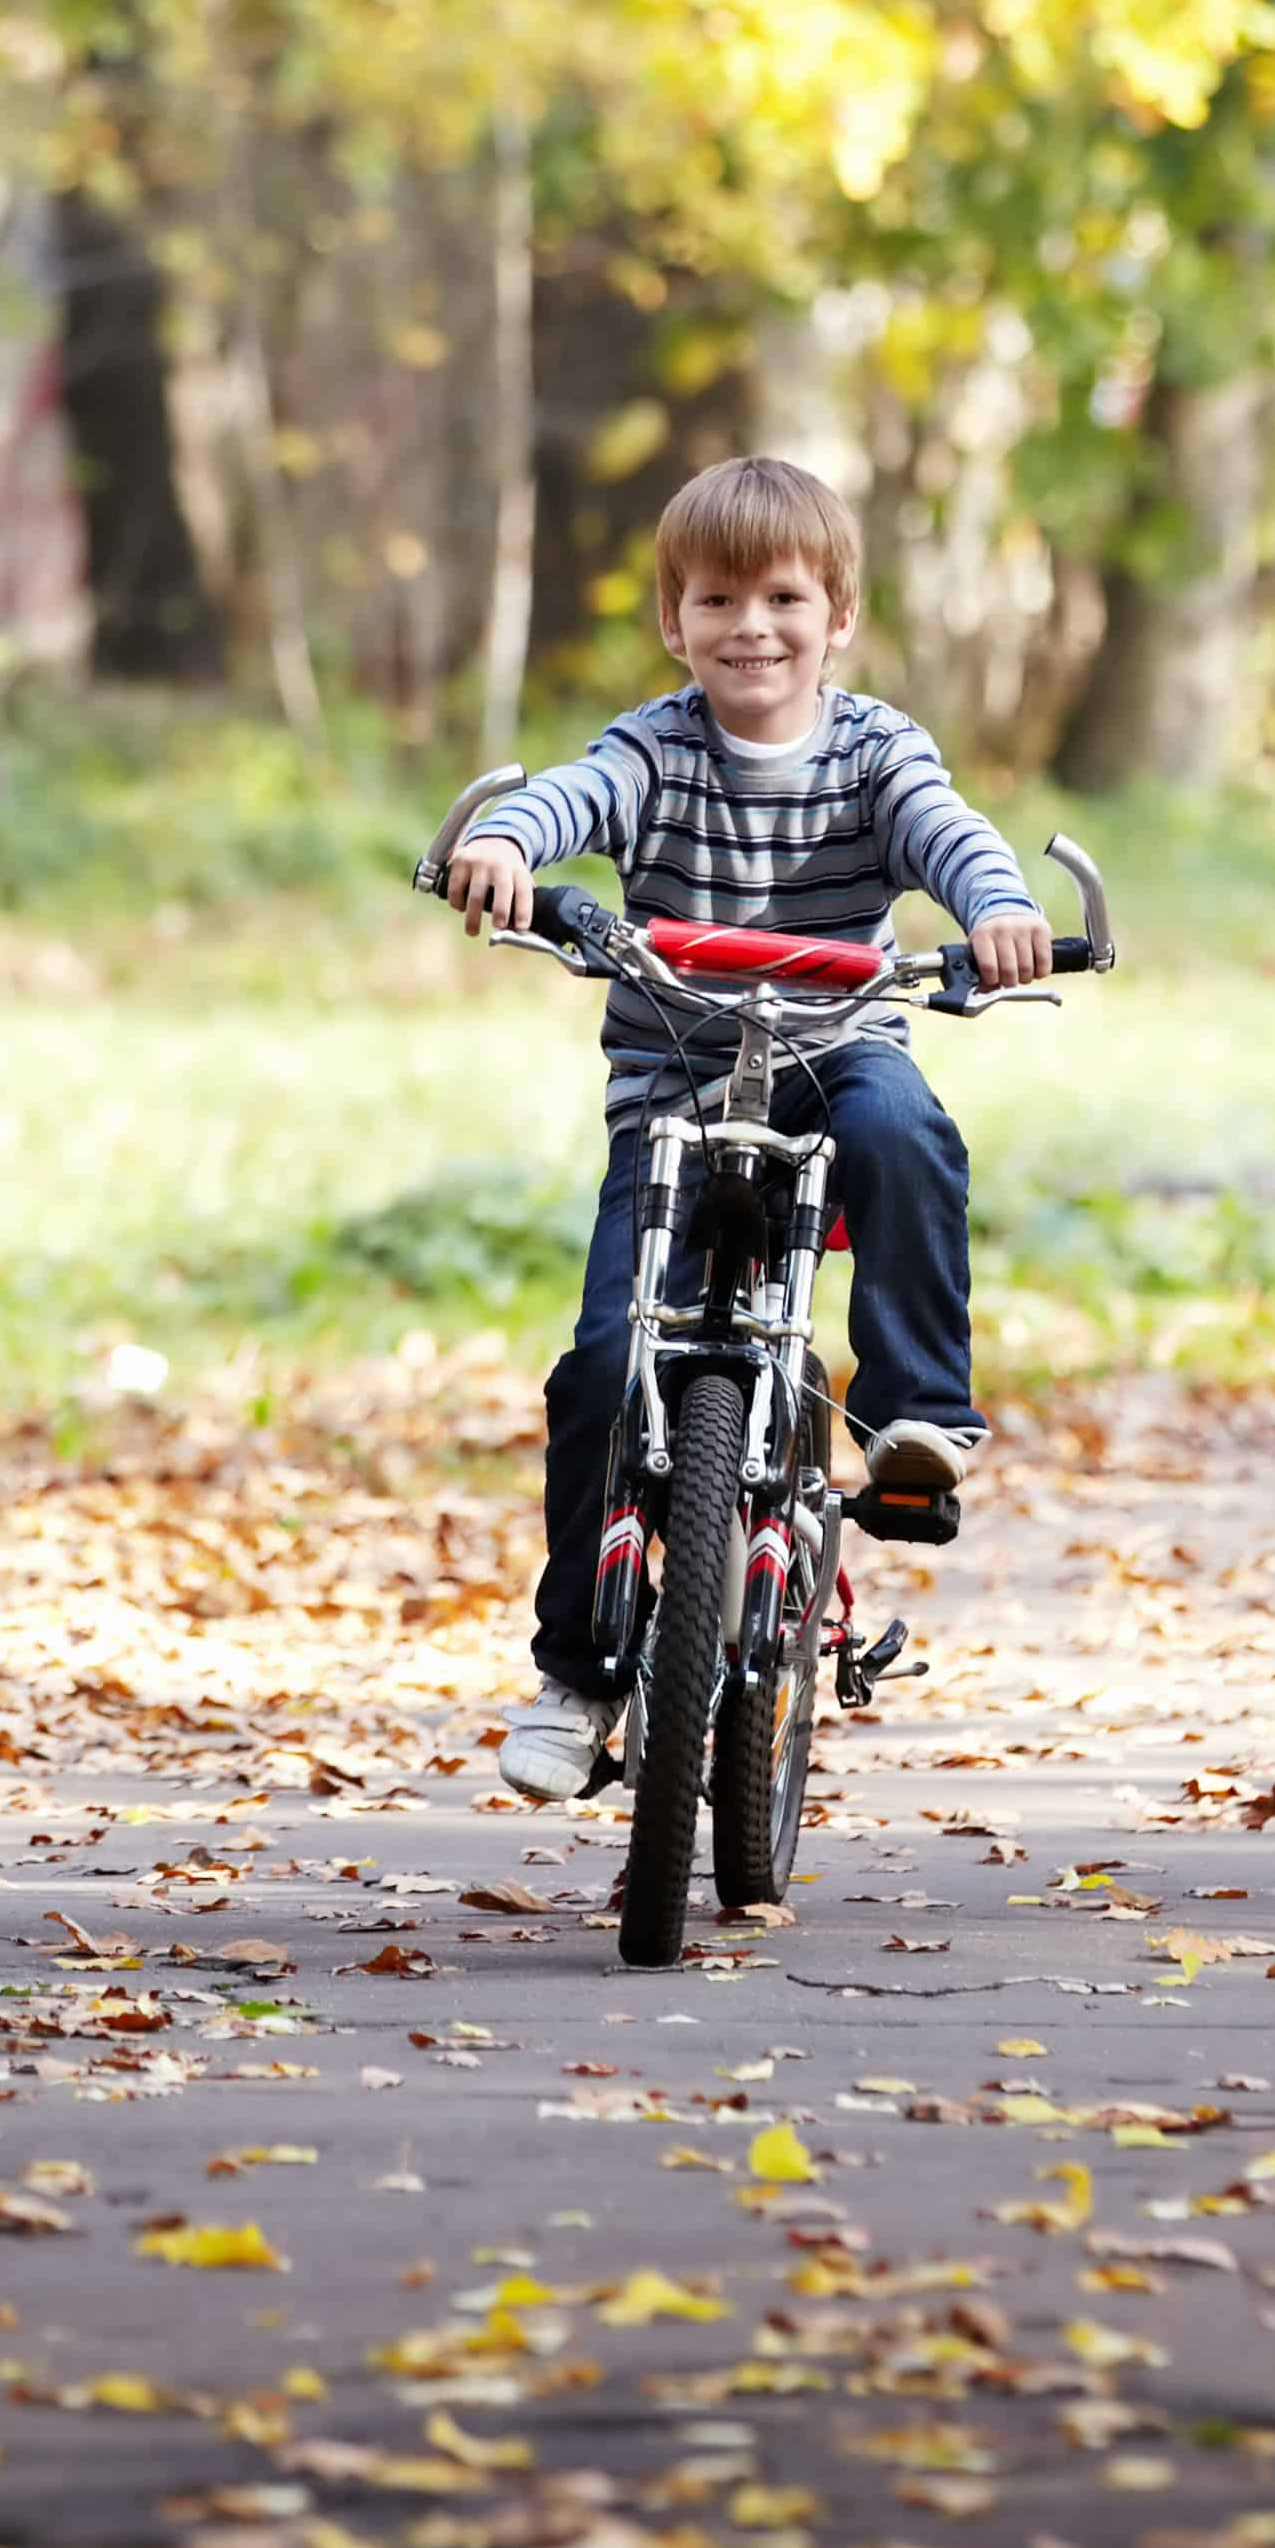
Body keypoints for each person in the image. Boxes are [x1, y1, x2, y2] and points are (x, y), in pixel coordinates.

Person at [435, 457, 1054, 1801]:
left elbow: (947, 835)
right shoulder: (655, 747)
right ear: (675, 622)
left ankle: (918, 1421)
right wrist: (512, 853)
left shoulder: (876, 748)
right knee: (606, 1368)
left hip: (840, 1055)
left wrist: (994, 910)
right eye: (717, 599)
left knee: (908, 1133)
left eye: (784, 596)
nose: (752, 626)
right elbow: (571, 796)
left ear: (838, 617)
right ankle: (574, 1669)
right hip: (674, 1080)